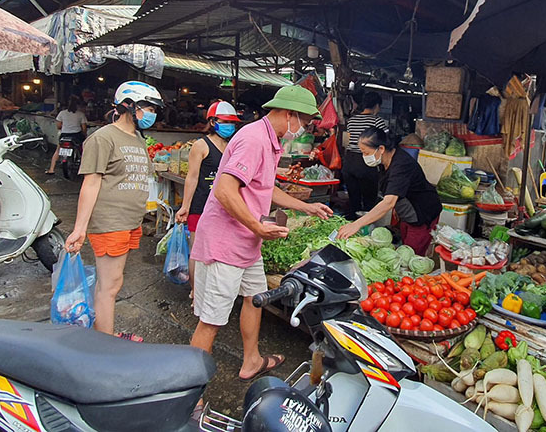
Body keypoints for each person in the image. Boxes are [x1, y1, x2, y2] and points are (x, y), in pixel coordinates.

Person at [189, 85, 333, 386]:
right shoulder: (254, 139)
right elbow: (225, 190)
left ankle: (252, 360)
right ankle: (188, 391)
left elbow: (266, 188)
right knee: (212, 321)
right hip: (225, 243)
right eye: (305, 123)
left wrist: (306, 207)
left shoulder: (269, 141)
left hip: (246, 243)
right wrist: (257, 227)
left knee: (255, 298)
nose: (303, 130)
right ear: (290, 114)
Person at [64, 81, 163, 341]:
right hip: (111, 221)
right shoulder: (103, 137)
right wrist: (79, 228)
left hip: (130, 221)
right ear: (129, 106)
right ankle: (105, 345)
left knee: (112, 283)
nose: (152, 113)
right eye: (148, 107)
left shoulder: (138, 139)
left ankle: (105, 334)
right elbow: (91, 182)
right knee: (109, 286)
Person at [337, 127, 442, 255]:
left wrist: (356, 224)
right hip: (407, 212)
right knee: (404, 247)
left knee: (411, 255)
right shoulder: (384, 161)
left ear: (381, 149)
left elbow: (388, 202)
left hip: (423, 213)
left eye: (366, 153)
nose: (364, 157)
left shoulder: (401, 165)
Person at [175, 101, 240, 298]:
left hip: (224, 206)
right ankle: (196, 291)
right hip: (201, 205)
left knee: (218, 250)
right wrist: (185, 206)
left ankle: (214, 290)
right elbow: (192, 177)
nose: (229, 126)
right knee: (198, 251)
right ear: (212, 122)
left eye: (232, 123)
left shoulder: (232, 146)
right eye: (224, 122)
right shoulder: (201, 145)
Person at [342, 92, 388, 220]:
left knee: (353, 198)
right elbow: (385, 140)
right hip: (366, 161)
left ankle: (351, 224)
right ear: (377, 105)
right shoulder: (377, 121)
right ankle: (366, 226)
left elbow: (349, 140)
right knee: (369, 199)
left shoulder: (351, 121)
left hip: (350, 161)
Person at [46, 96, 87, 174]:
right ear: (78, 105)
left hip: (64, 135)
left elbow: (58, 126)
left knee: (57, 150)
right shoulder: (80, 114)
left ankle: (51, 169)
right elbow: (84, 128)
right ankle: (84, 167)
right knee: (83, 149)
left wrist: (66, 126)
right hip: (76, 135)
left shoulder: (62, 113)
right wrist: (84, 134)